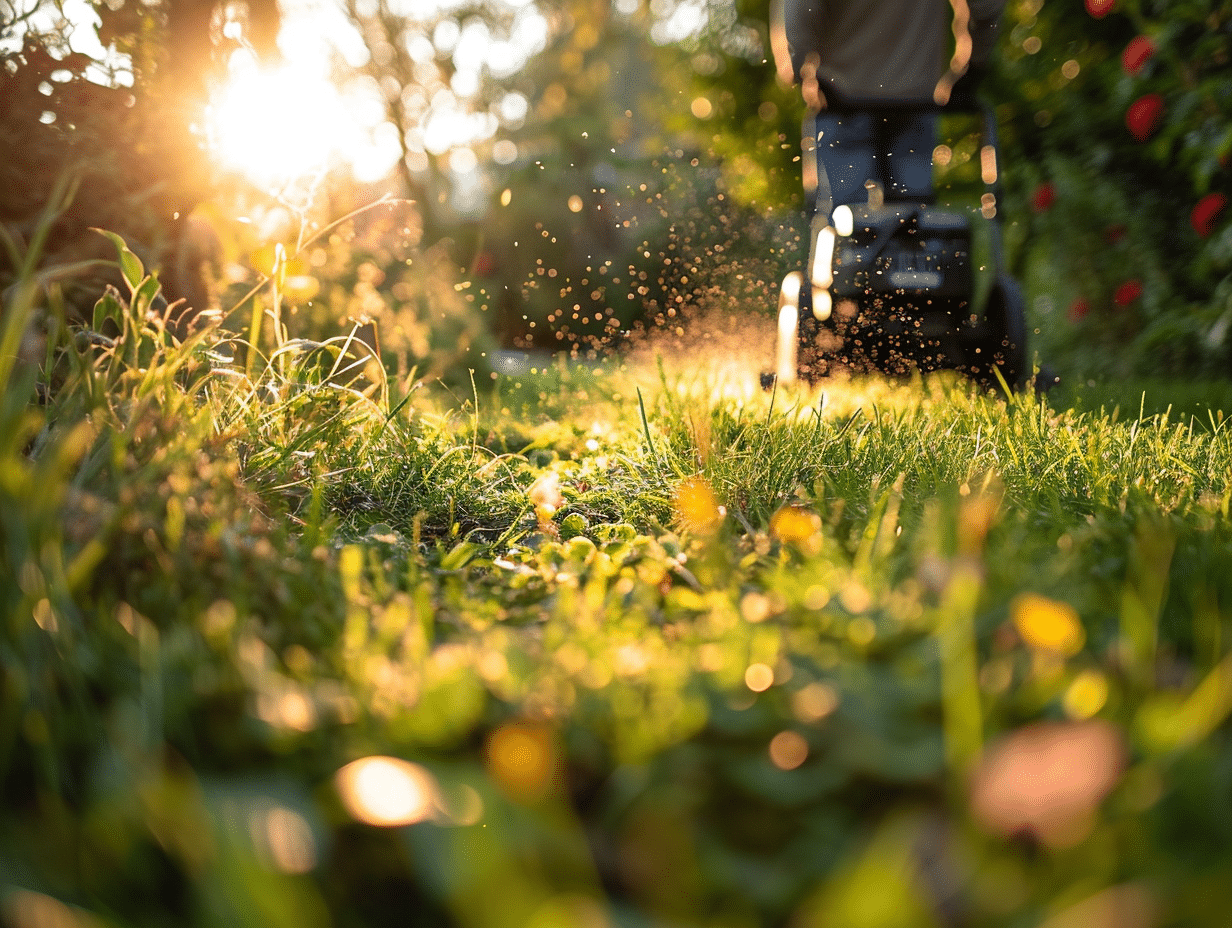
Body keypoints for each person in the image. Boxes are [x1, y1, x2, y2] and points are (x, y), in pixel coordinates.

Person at [770, 0, 1006, 213]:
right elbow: (987, 6)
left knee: (847, 223)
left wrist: (800, 69)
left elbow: (799, 9)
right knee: (914, 221)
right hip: (915, 98)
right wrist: (973, 64)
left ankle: (854, 251)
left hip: (842, 98)